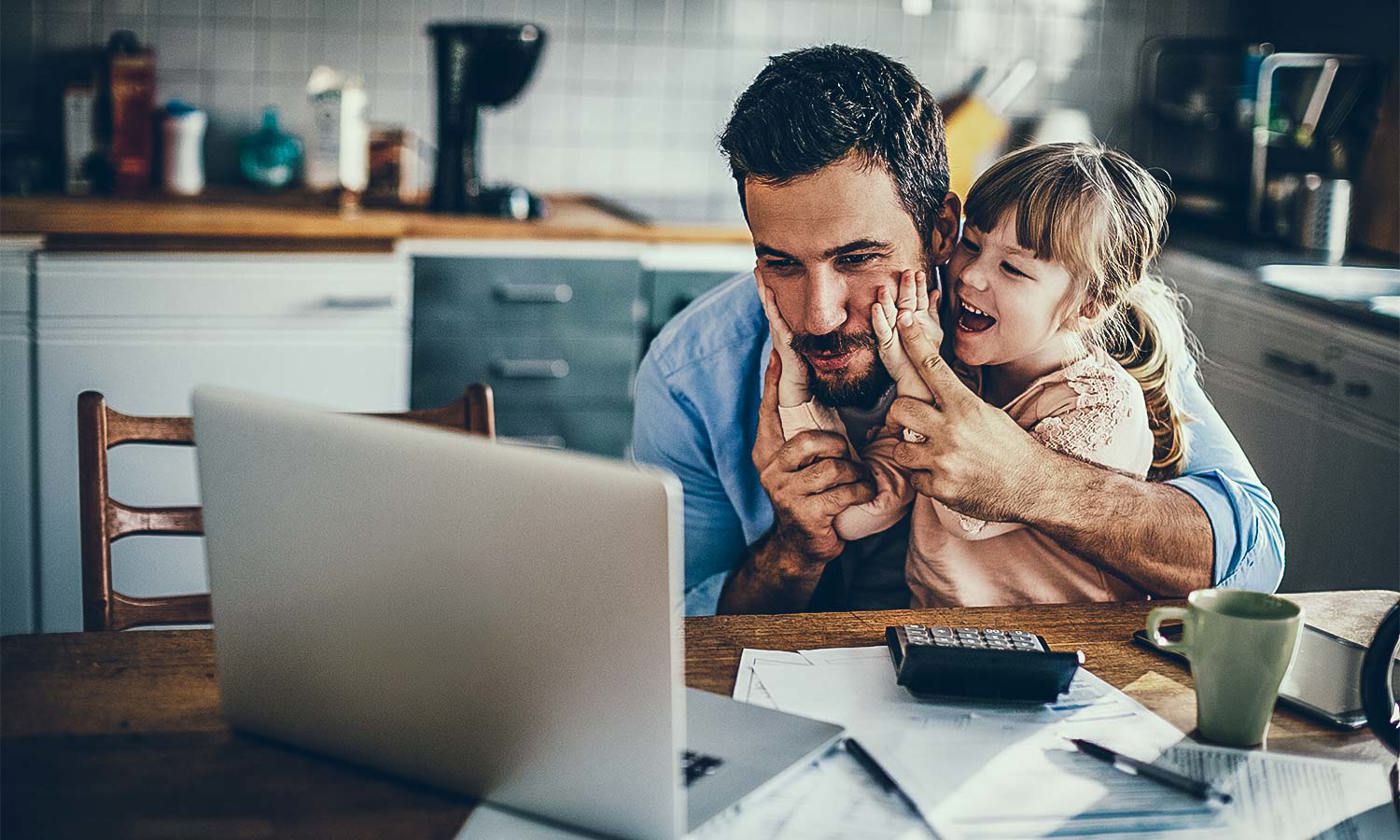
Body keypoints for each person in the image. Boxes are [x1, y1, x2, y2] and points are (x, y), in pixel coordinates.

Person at [631, 45, 1285, 616]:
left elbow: (1251, 555)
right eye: (780, 262)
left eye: (859, 259)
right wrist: (795, 550)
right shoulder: (692, 373)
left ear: (944, 231)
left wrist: (1032, 480)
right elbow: (674, 630)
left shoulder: (1064, 328)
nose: (819, 316)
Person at [765, 142, 1196, 606]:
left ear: (1089, 304)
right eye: (972, 245)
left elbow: (968, 512)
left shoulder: (1101, 405)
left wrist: (913, 372)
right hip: (940, 642)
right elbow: (856, 516)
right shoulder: (961, 376)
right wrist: (794, 382)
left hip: (1067, 653)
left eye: (1012, 268)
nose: (971, 276)